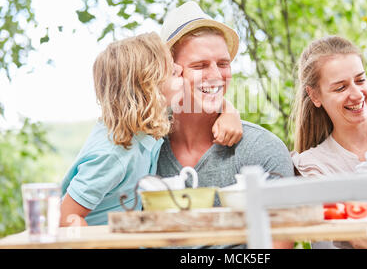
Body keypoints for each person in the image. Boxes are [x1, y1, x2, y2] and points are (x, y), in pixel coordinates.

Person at [59, 32, 242, 227]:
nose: (181, 70)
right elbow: (65, 219)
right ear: (149, 89)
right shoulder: (114, 154)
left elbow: (202, 101)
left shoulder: (145, 127)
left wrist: (229, 111)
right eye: (173, 72)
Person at [158, 1, 295, 248]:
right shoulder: (146, 150)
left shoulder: (263, 149)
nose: (215, 75)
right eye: (200, 66)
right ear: (170, 73)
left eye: (223, 64)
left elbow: (279, 244)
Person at [290, 35, 367, 249]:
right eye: (340, 88)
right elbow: (342, 235)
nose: (357, 94)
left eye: (360, 80)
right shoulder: (312, 165)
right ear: (315, 96)